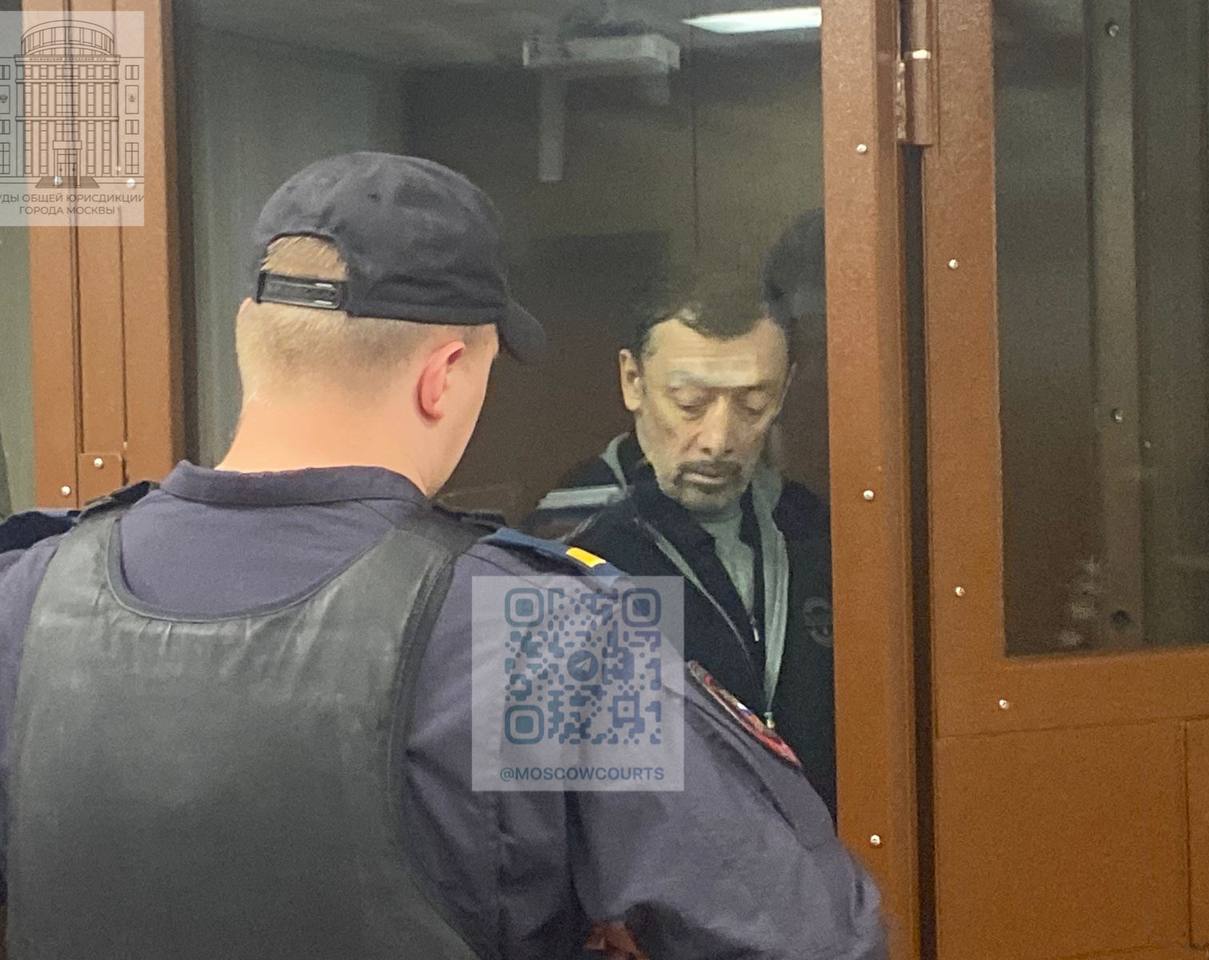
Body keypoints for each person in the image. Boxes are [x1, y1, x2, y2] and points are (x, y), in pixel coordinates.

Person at [0, 153, 882, 959]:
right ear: (444, 374)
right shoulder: (538, 633)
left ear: (250, 335)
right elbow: (810, 939)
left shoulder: (27, 598)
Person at [535, 270, 838, 813]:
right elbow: (540, 810)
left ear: (786, 389)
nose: (719, 440)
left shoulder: (815, 529)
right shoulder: (560, 551)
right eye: (691, 402)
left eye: (753, 403)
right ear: (632, 381)